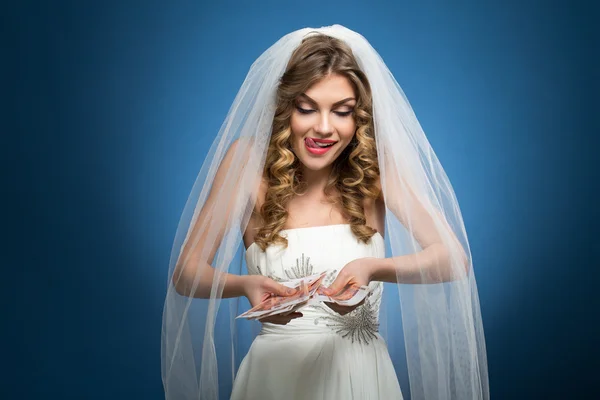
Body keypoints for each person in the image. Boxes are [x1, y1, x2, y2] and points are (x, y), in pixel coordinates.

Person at [162, 25, 489, 400]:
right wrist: (245, 286)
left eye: (342, 111)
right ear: (285, 108)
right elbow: (186, 273)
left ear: (358, 117)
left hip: (361, 378)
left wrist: (373, 268)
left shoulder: (376, 168)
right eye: (306, 108)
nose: (323, 127)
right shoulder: (245, 163)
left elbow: (452, 259)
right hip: (274, 379)